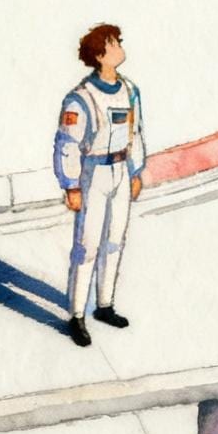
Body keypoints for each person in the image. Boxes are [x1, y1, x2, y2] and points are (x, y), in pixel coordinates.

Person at [55, 22, 147, 347]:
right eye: (113, 43)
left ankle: (104, 305)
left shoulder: (130, 90)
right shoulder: (81, 99)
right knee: (88, 246)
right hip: (93, 174)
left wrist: (135, 172)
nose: (120, 47)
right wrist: (71, 185)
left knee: (115, 241)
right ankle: (77, 314)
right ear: (99, 54)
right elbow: (68, 144)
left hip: (121, 169)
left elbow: (136, 133)